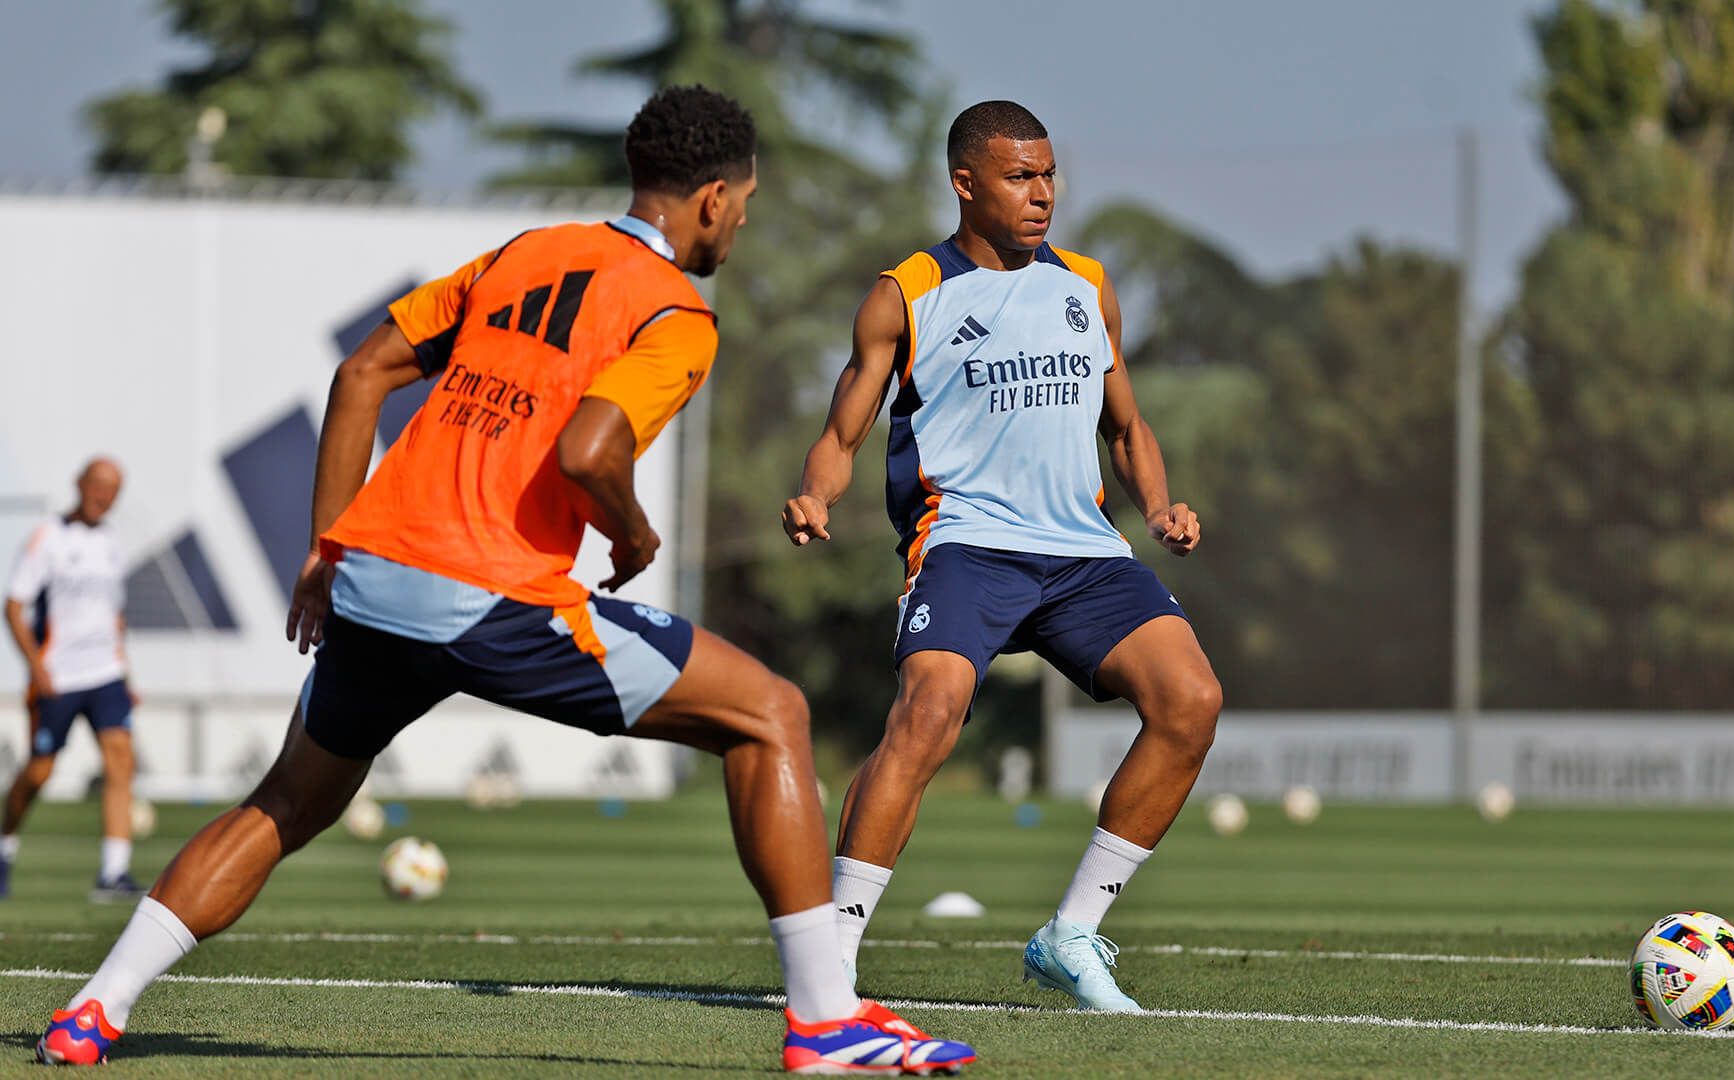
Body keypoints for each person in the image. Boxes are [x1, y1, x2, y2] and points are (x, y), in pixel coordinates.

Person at [38, 86, 973, 1075]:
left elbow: (363, 373)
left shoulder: (525, 254)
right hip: (490, 594)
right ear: (710, 199)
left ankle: (93, 1009)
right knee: (772, 713)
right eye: (743, 202)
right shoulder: (675, 312)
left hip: (377, 580)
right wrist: (634, 531)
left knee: (285, 803)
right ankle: (827, 1020)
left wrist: (327, 548)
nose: (741, 220)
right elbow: (589, 450)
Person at [783, 100, 1223, 1012]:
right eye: (1021, 177)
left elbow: (1127, 425)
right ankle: (834, 960)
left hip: (1082, 553)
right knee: (932, 708)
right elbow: (844, 425)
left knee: (1191, 701)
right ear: (965, 182)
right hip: (967, 544)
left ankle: (1070, 936)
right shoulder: (905, 293)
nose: (1043, 194)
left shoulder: (1087, 285)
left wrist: (1159, 505)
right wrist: (815, 495)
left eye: (1051, 174)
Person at [2, 457, 142, 903]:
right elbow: (15, 607)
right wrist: (36, 667)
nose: (104, 496)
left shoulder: (113, 543)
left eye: (113, 489)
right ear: (79, 484)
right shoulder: (49, 539)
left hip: (105, 675)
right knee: (40, 772)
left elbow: (113, 615)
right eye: (98, 485)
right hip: (58, 678)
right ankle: (5, 845)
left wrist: (125, 671)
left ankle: (113, 872)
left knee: (120, 759)